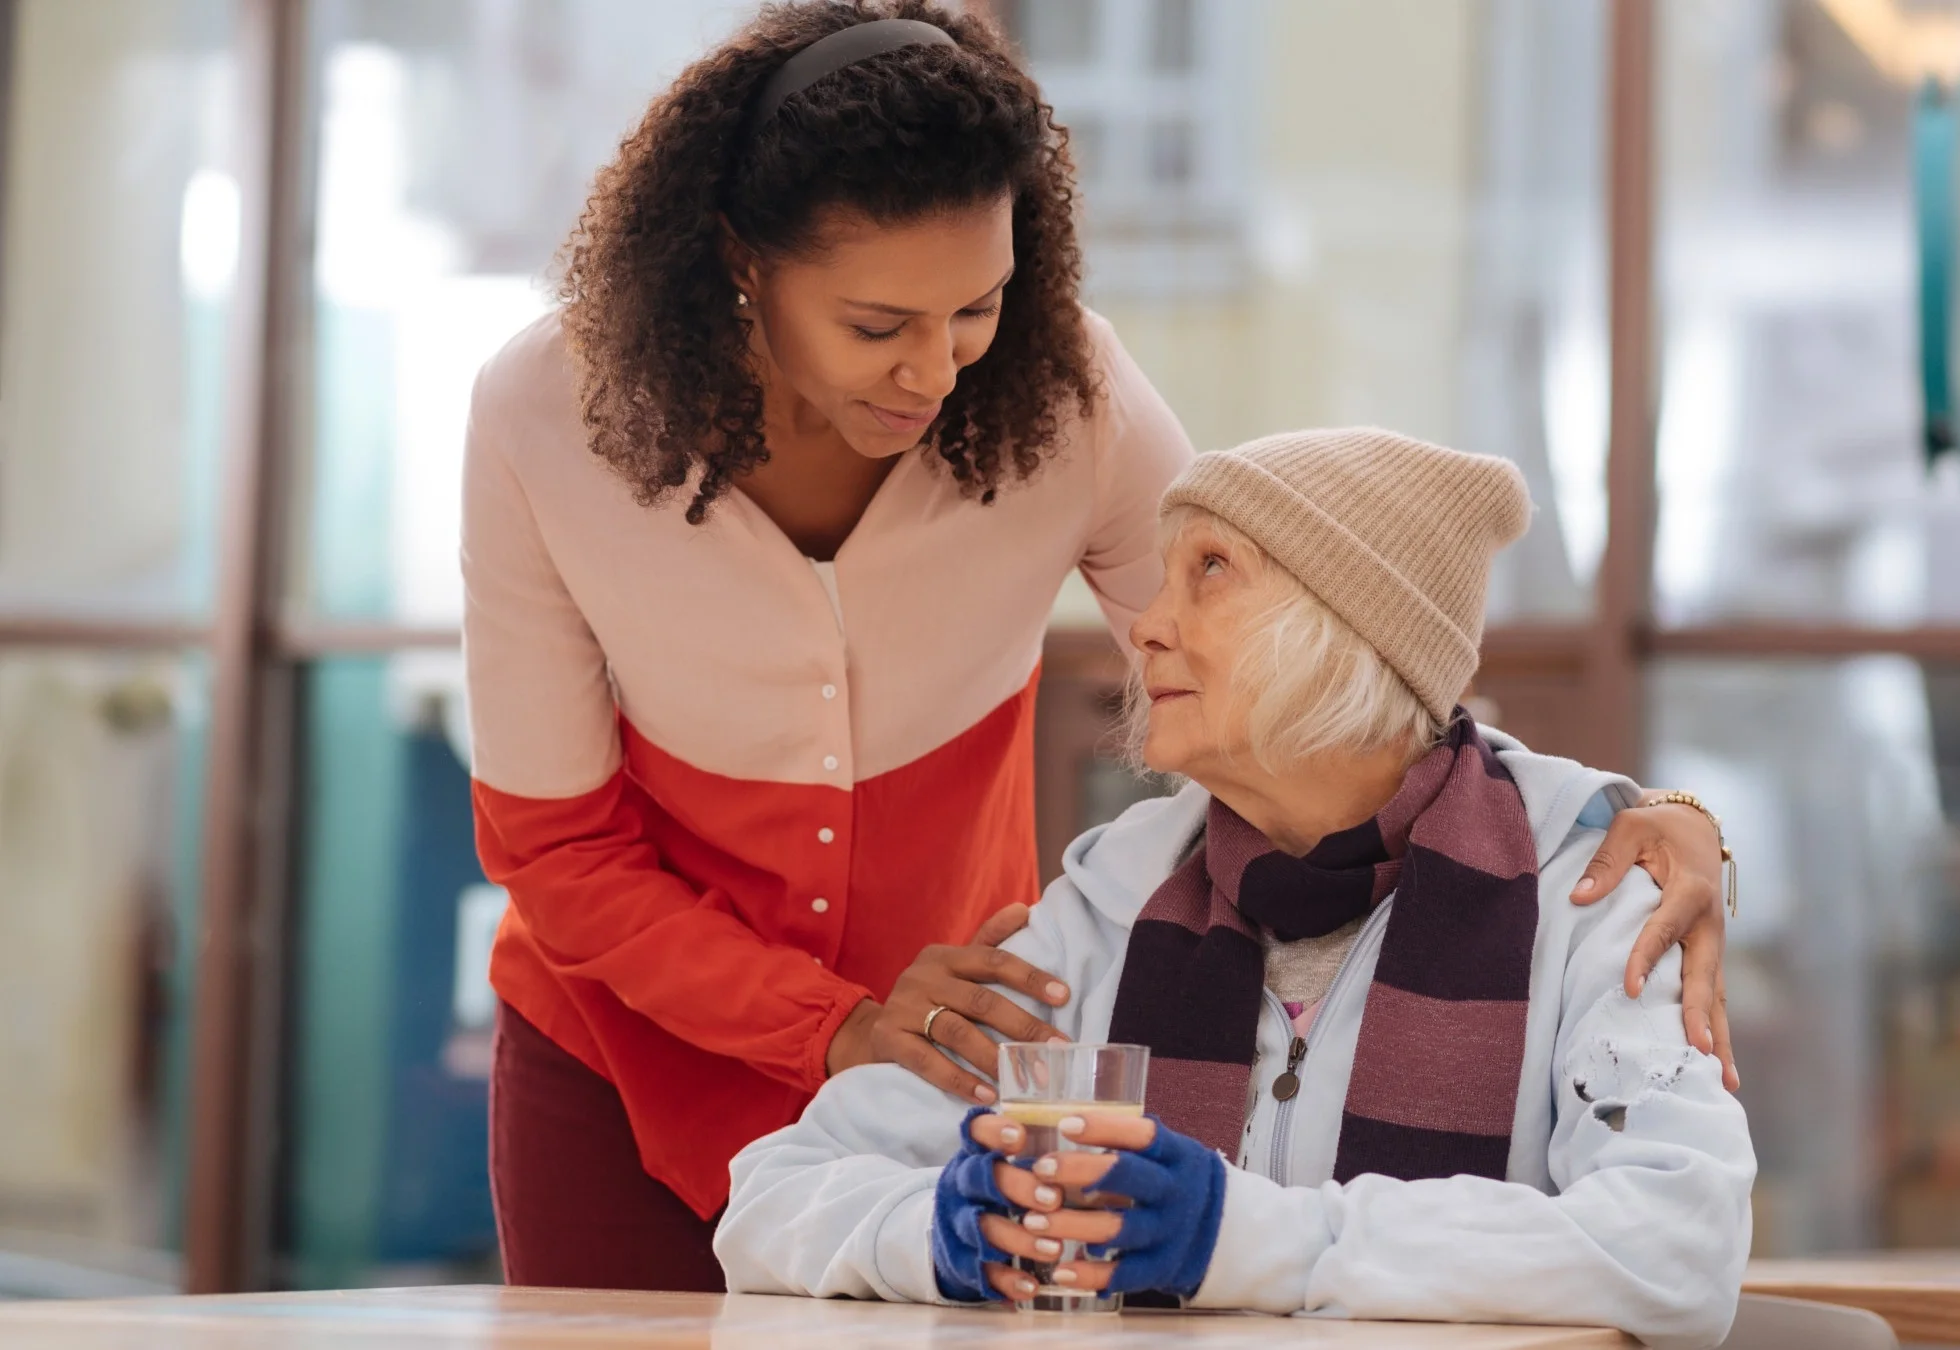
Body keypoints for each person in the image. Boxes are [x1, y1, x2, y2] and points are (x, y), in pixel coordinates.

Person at [466, 0, 1735, 1293]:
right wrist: (830, 1021)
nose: (935, 372)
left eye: (978, 307)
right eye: (876, 325)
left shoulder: (1062, 393)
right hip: (624, 1057)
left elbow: (1306, 659)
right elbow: (552, 843)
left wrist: (1605, 820)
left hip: (949, 1045)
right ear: (740, 258)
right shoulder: (543, 421)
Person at [713, 430, 1755, 1346]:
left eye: (1211, 570)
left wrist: (1241, 1238)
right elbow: (774, 1197)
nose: (1148, 627)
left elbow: (1677, 1247)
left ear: (1355, 631)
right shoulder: (1110, 902)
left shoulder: (1594, 890)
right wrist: (942, 1231)